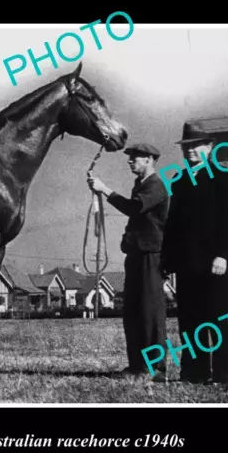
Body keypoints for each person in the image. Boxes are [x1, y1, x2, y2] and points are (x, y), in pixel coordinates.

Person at [160, 124, 228, 384]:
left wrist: (222, 255)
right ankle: (193, 372)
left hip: (215, 263)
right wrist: (167, 262)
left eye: (196, 146)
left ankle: (225, 372)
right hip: (186, 264)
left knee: (221, 317)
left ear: (210, 147)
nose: (191, 151)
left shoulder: (225, 177)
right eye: (187, 146)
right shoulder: (179, 181)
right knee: (191, 320)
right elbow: (172, 224)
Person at [87, 143, 170, 382]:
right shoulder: (141, 185)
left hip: (151, 257)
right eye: (131, 157)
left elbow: (134, 208)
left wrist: (105, 190)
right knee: (133, 313)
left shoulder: (155, 186)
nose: (130, 160)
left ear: (150, 160)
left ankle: (155, 370)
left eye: (136, 157)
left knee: (150, 313)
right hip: (136, 256)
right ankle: (137, 367)